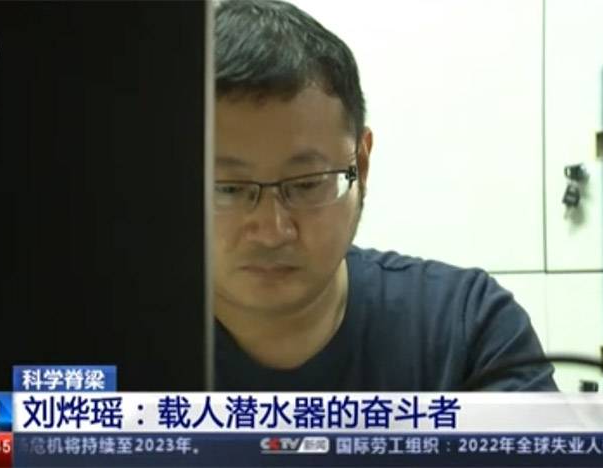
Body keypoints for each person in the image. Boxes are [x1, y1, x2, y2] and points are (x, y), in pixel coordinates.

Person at [212, 0, 557, 391]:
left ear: (361, 164)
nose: (273, 231)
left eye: (307, 183)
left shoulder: (464, 329)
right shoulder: (149, 337)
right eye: (228, 189)